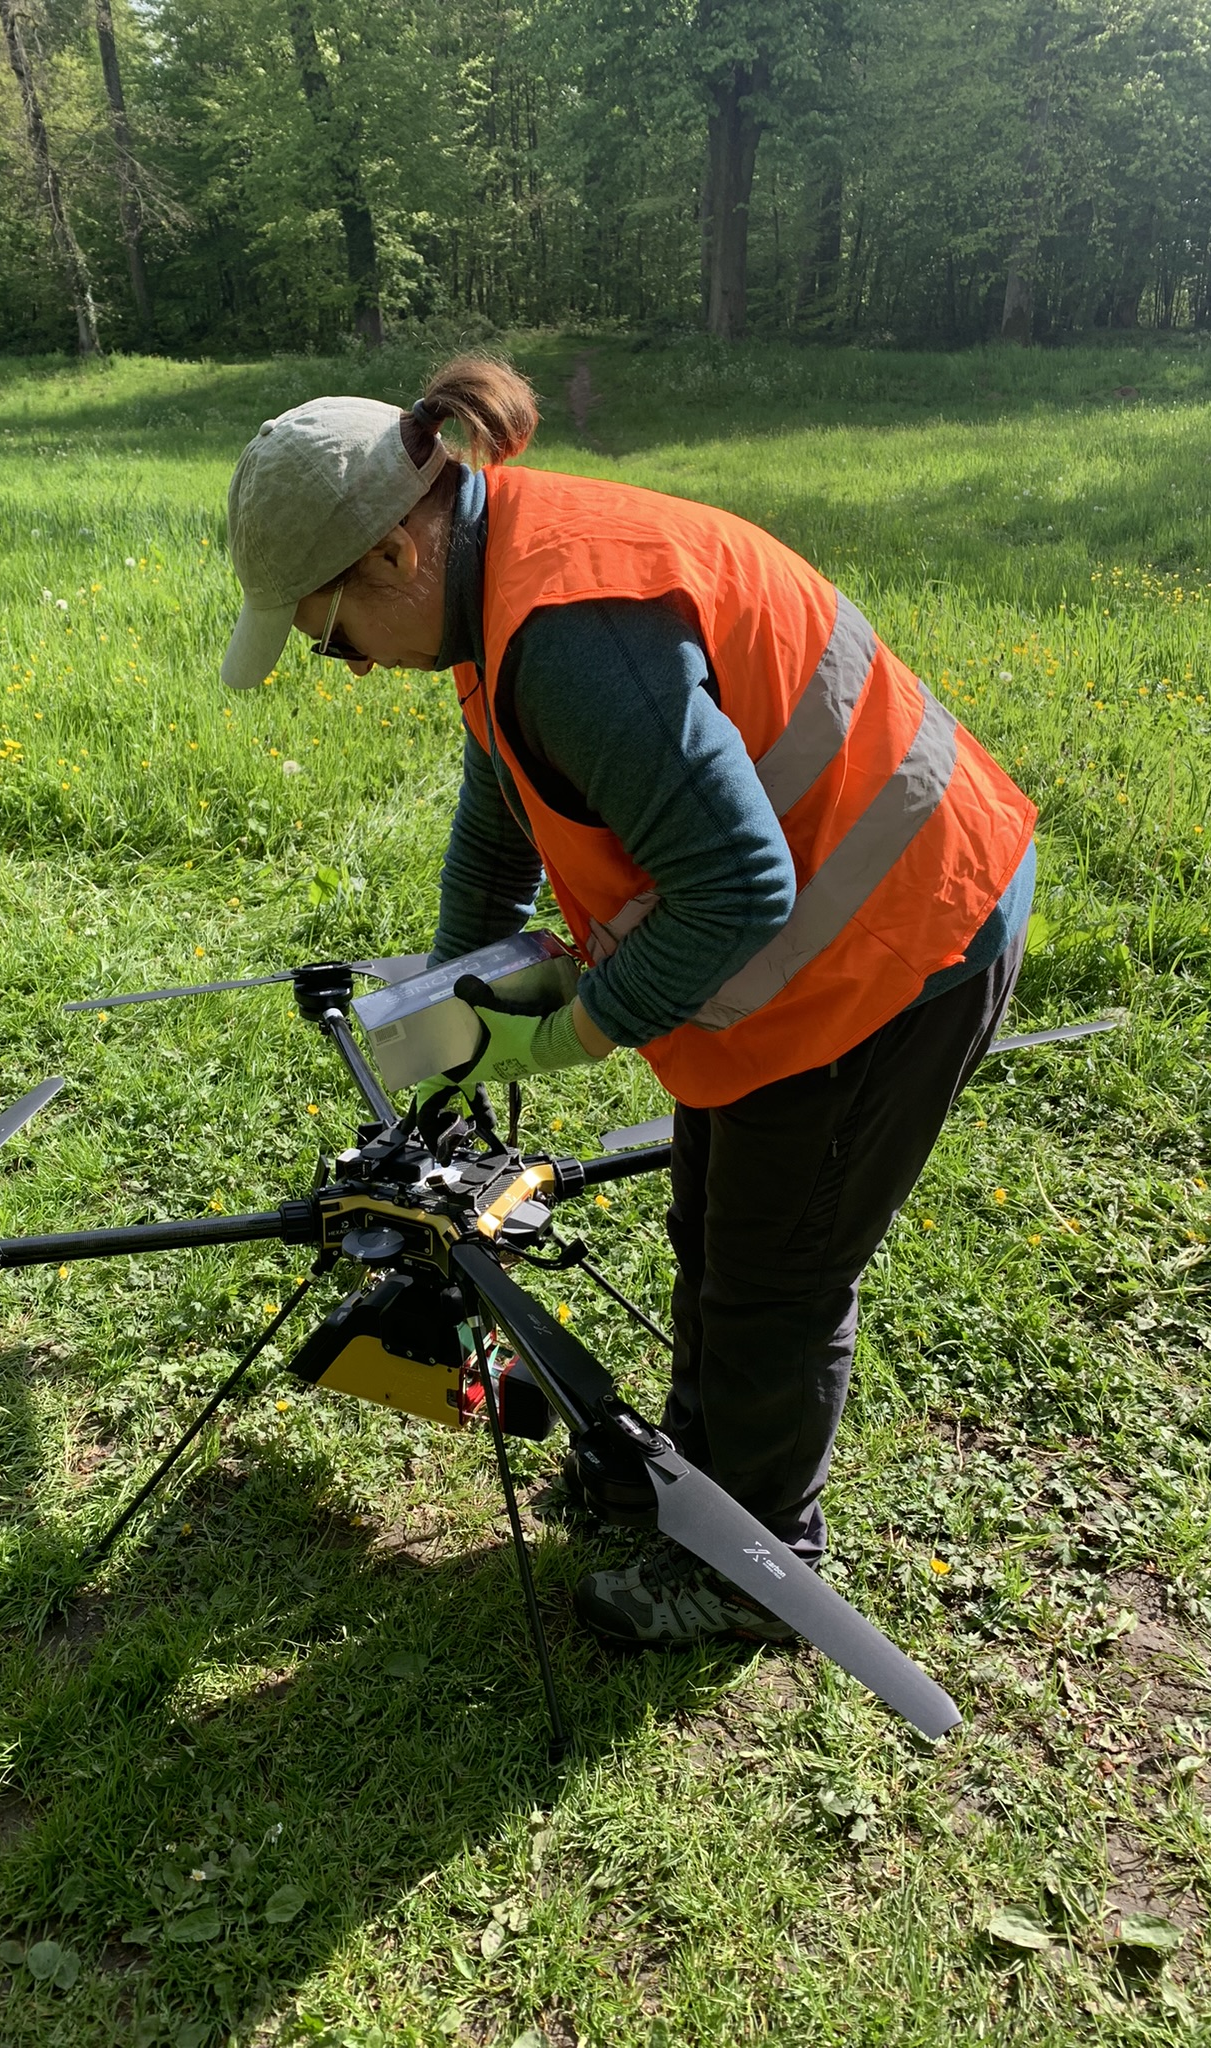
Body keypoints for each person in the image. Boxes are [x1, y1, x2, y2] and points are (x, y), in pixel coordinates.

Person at [220, 355, 1036, 1651]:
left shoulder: (569, 638)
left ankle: (754, 1574)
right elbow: (501, 815)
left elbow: (736, 895)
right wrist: (452, 992)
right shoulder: (497, 595)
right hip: (816, 934)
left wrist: (567, 1027)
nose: (350, 668)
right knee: (715, 1232)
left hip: (900, 941)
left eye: (327, 638)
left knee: (775, 1279)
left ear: (387, 559)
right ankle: (695, 1483)